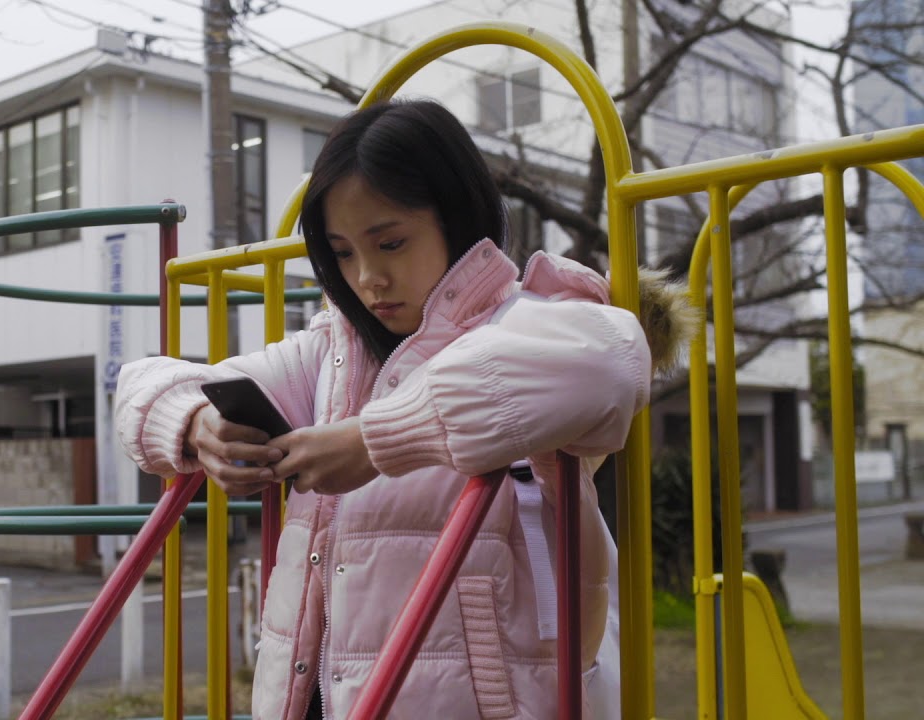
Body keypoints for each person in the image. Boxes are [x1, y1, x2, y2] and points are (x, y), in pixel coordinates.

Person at [116, 99, 690, 719]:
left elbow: (607, 361)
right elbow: (145, 383)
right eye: (341, 252)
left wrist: (371, 442)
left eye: (390, 242)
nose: (368, 278)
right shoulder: (333, 353)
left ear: (458, 215)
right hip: (313, 694)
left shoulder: (530, 321)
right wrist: (201, 427)